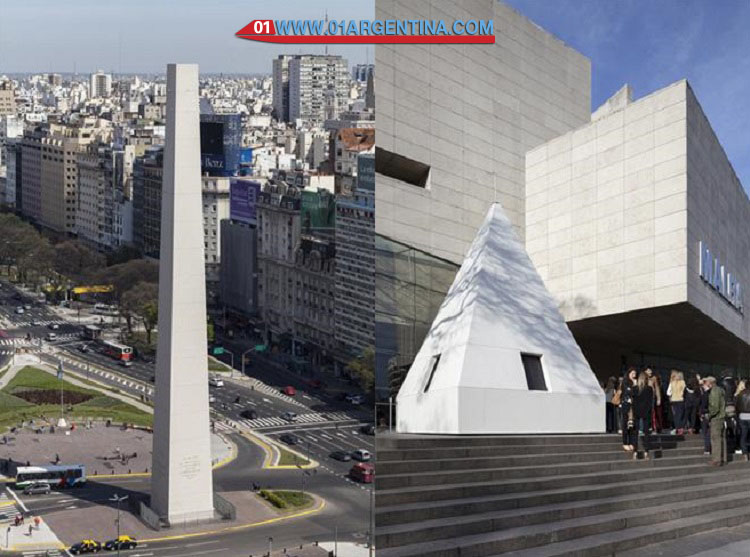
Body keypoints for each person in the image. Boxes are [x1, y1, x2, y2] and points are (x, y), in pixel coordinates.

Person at [632, 371, 654, 460]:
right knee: (646, 433)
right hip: (646, 412)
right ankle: (646, 452)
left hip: (636, 412)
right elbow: (650, 402)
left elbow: (633, 402)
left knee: (635, 432)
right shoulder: (649, 389)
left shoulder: (635, 389)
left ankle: (635, 452)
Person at [706, 376, 727, 466]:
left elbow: (715, 407)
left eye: (706, 382)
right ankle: (723, 458)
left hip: (716, 417)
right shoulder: (721, 390)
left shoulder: (714, 391)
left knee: (715, 439)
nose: (705, 384)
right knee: (722, 438)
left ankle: (716, 459)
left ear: (710, 382)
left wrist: (709, 415)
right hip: (722, 416)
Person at [619, 368, 637, 452]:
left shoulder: (635, 382)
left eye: (635, 373)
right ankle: (625, 443)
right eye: (632, 373)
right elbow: (627, 392)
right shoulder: (625, 382)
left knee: (632, 425)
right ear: (629, 373)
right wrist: (633, 386)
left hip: (633, 406)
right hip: (625, 405)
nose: (634, 375)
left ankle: (631, 442)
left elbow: (637, 393)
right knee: (625, 424)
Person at [667, 370, 686, 434]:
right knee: (680, 414)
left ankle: (677, 428)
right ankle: (680, 428)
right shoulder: (683, 382)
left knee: (675, 415)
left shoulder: (672, 383)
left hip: (673, 400)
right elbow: (684, 391)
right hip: (680, 399)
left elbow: (668, 392)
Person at [736, 380, 750, 462]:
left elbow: (737, 405)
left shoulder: (740, 394)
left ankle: (745, 454)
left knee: (743, 435)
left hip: (742, 416)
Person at [699, 378, 712, 455]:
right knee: (708, 432)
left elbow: (703, 405)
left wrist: (701, 413)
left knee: (706, 432)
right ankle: (708, 448)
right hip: (709, 413)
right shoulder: (711, 393)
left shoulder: (706, 394)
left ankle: (707, 448)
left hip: (706, 414)